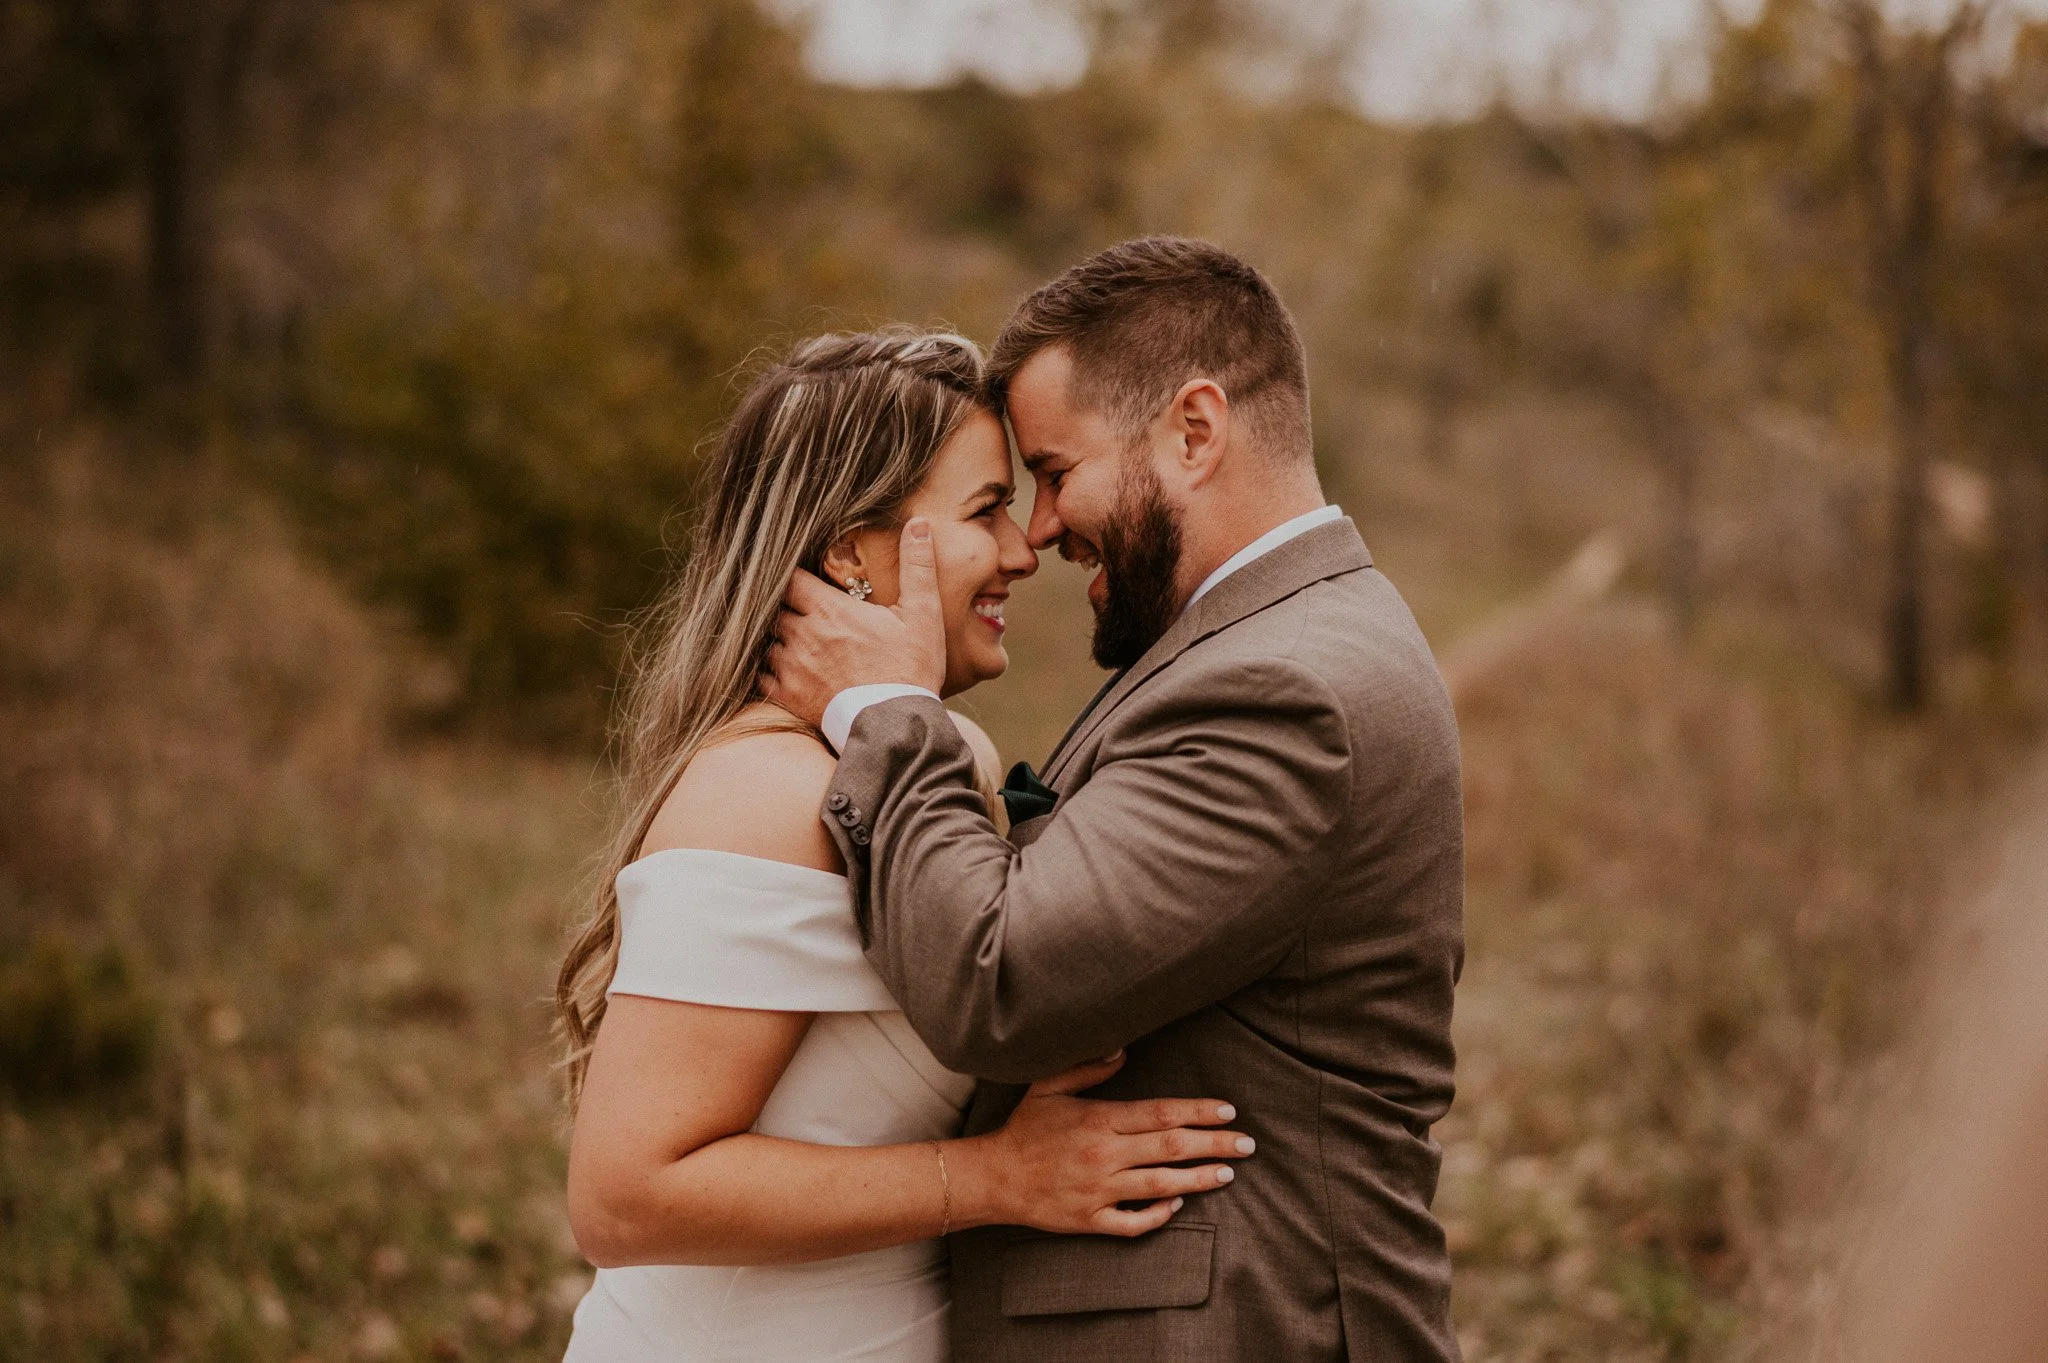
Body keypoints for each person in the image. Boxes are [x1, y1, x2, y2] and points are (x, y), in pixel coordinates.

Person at [763, 239, 1466, 1361]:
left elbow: (1002, 983)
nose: (1038, 531)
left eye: (1051, 472)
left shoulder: (1284, 688)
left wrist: (886, 713)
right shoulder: (1263, 643)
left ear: (1193, 431)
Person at [554, 330, 1255, 1362]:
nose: (1022, 548)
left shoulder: (916, 755)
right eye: (982, 511)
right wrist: (996, 1178)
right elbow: (625, 1196)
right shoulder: (764, 791)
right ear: (845, 550)